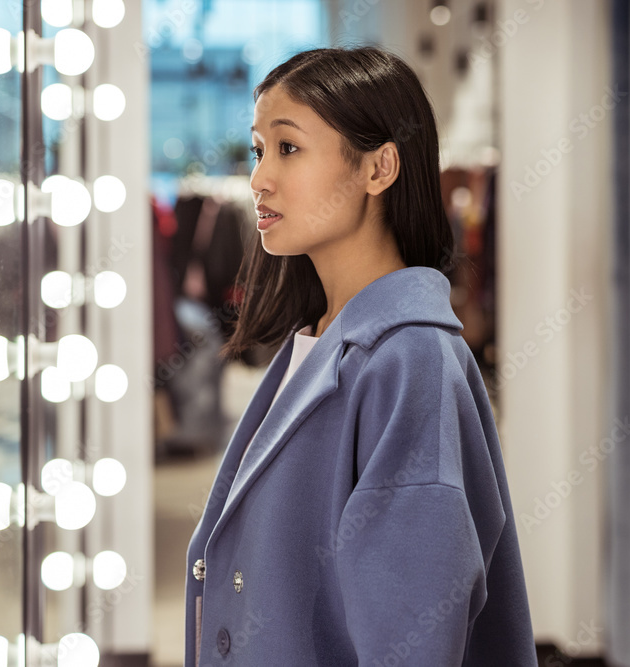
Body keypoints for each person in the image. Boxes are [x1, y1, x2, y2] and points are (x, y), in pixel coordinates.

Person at [184, 46, 536, 665]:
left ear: (380, 168)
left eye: (288, 148)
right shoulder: (322, 340)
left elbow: (413, 639)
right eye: (258, 150)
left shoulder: (409, 361)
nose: (259, 178)